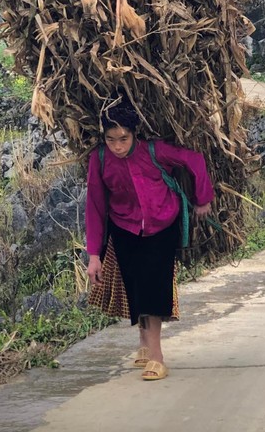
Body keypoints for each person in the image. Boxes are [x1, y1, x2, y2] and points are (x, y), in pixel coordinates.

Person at [85, 99, 214, 381]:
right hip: (124, 228)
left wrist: (203, 198)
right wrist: (93, 255)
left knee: (153, 289)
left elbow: (195, 160)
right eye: (111, 140)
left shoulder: (154, 151)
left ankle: (157, 358)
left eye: (123, 139)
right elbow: (94, 205)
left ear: (135, 134)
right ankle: (144, 345)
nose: (118, 146)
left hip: (162, 225)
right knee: (135, 288)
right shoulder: (100, 159)